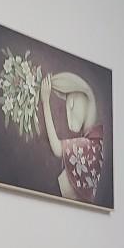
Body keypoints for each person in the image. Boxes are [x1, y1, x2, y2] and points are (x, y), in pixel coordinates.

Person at [40, 71, 104, 202]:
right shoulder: (92, 142)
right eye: (67, 110)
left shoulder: (91, 145)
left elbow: (57, 148)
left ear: (84, 96)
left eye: (72, 105)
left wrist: (45, 102)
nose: (69, 119)